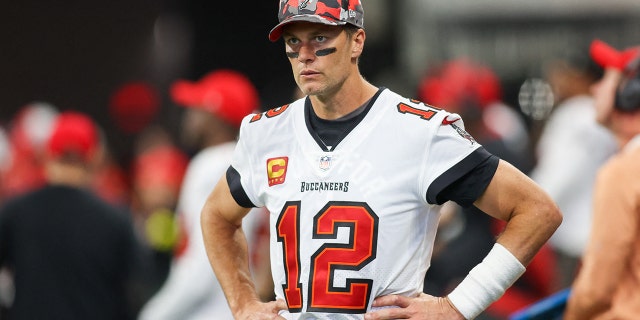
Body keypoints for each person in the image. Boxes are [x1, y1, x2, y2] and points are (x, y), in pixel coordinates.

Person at [200, 1, 562, 319]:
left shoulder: (420, 132)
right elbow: (217, 215)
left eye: (321, 38)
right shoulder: (267, 133)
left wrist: (459, 306)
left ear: (356, 41)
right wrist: (242, 302)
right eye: (294, 41)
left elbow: (537, 210)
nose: (305, 53)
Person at [138, 69, 271, 320]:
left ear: (216, 115)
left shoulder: (211, 164)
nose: (189, 117)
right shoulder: (251, 162)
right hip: (241, 305)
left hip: (208, 309)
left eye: (197, 108)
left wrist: (154, 314)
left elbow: (203, 266)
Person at [0, 111, 140, 320]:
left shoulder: (15, 211)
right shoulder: (116, 219)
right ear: (93, 157)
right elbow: (135, 290)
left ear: (49, 154)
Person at [564, 40, 640, 319]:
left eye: (606, 79)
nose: (595, 88)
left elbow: (595, 291)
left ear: (630, 93)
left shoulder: (623, 171)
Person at [530, 48, 618, 289]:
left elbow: (555, 180)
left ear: (582, 77)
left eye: (566, 74)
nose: (558, 81)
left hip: (570, 240)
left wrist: (521, 207)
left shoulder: (575, 114)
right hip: (601, 234)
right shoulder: (603, 114)